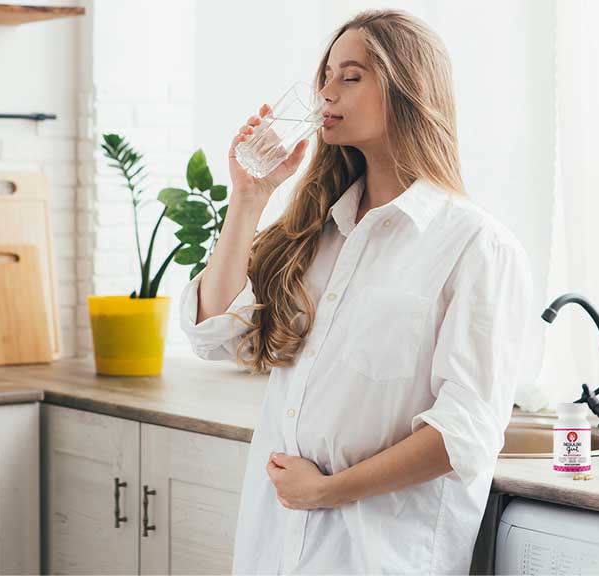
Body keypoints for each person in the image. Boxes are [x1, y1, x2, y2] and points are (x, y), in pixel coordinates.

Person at [180, 8, 534, 575]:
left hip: (378, 556)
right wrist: (247, 199)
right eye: (325, 76)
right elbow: (214, 333)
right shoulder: (318, 233)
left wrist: (329, 491)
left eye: (351, 76)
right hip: (276, 549)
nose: (325, 92)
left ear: (408, 90)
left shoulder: (476, 247)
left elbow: (463, 433)